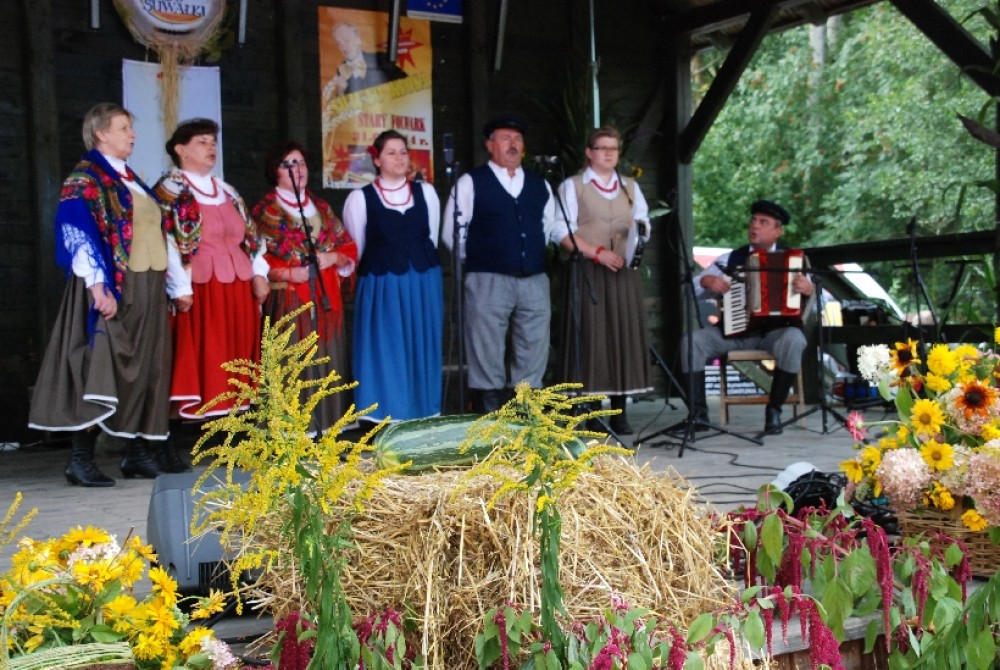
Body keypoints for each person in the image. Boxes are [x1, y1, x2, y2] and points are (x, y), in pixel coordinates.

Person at [28, 102, 173, 486]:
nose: (132, 134)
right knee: (99, 364)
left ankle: (136, 453)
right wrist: (97, 287)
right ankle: (81, 458)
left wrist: (174, 285)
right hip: (112, 285)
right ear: (101, 133)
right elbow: (76, 232)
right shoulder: (86, 178)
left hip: (148, 283)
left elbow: (155, 231)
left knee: (146, 365)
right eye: (124, 127)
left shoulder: (131, 180)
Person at [154, 118, 269, 467]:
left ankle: (233, 441)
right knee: (200, 357)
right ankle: (171, 441)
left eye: (213, 141)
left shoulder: (228, 191)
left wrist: (260, 273)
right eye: (202, 142)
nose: (211, 148)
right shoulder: (171, 190)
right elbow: (167, 239)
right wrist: (179, 286)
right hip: (200, 287)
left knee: (237, 361)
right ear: (180, 149)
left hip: (237, 287)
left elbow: (252, 237)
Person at [442, 115, 561, 413]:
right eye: (506, 138)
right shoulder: (471, 182)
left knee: (533, 346)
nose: (513, 144)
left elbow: (547, 227)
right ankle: (490, 417)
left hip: (533, 279)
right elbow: (452, 233)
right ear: (490, 145)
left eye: (517, 139)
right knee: (486, 347)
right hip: (487, 278)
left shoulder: (539, 185)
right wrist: (482, 259)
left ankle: (525, 416)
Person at [680, 199, 814, 436]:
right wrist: (706, 281)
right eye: (753, 220)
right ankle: (698, 416)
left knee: (794, 339)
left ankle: (774, 412)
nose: (755, 226)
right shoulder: (729, 259)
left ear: (778, 231)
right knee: (693, 342)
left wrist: (808, 289)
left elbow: (810, 300)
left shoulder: (793, 260)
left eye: (764, 222)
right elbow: (691, 290)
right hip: (734, 333)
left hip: (775, 333)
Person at [252, 142, 358, 433]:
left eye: (300, 163)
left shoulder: (321, 207)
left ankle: (328, 426)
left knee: (326, 355)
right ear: (275, 171)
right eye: (288, 164)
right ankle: (292, 428)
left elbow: (346, 246)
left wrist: (331, 258)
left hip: (324, 296)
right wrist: (287, 272)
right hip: (289, 296)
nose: (296, 169)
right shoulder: (266, 211)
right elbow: (255, 255)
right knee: (294, 357)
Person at [555, 127, 653, 435]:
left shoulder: (630, 188)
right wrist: (596, 253)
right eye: (602, 148)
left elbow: (644, 223)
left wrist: (637, 235)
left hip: (623, 272)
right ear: (589, 152)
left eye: (614, 148)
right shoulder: (573, 186)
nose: (609, 153)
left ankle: (620, 412)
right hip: (588, 271)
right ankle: (593, 411)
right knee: (593, 338)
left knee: (622, 337)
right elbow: (560, 231)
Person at [343, 130, 443, 422]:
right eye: (391, 152)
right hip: (382, 284)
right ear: (377, 160)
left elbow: (431, 239)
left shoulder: (426, 193)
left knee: (421, 345)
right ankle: (384, 414)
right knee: (386, 347)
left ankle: (423, 412)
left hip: (422, 283)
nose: (399, 158)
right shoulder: (360, 199)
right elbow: (357, 249)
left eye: (403, 152)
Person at [323, 22, 407, 101]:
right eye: (339, 43)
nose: (343, 47)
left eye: (346, 40)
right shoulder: (341, 71)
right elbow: (341, 109)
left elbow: (406, 83)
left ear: (358, 40)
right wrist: (340, 91)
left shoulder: (380, 58)